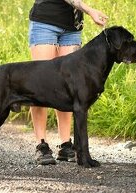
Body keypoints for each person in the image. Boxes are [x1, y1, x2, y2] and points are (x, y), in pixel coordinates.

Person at [28, 0, 108, 165]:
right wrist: (89, 10)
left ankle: (65, 145)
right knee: (40, 85)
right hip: (45, 22)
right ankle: (41, 145)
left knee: (68, 88)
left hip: (72, 28)